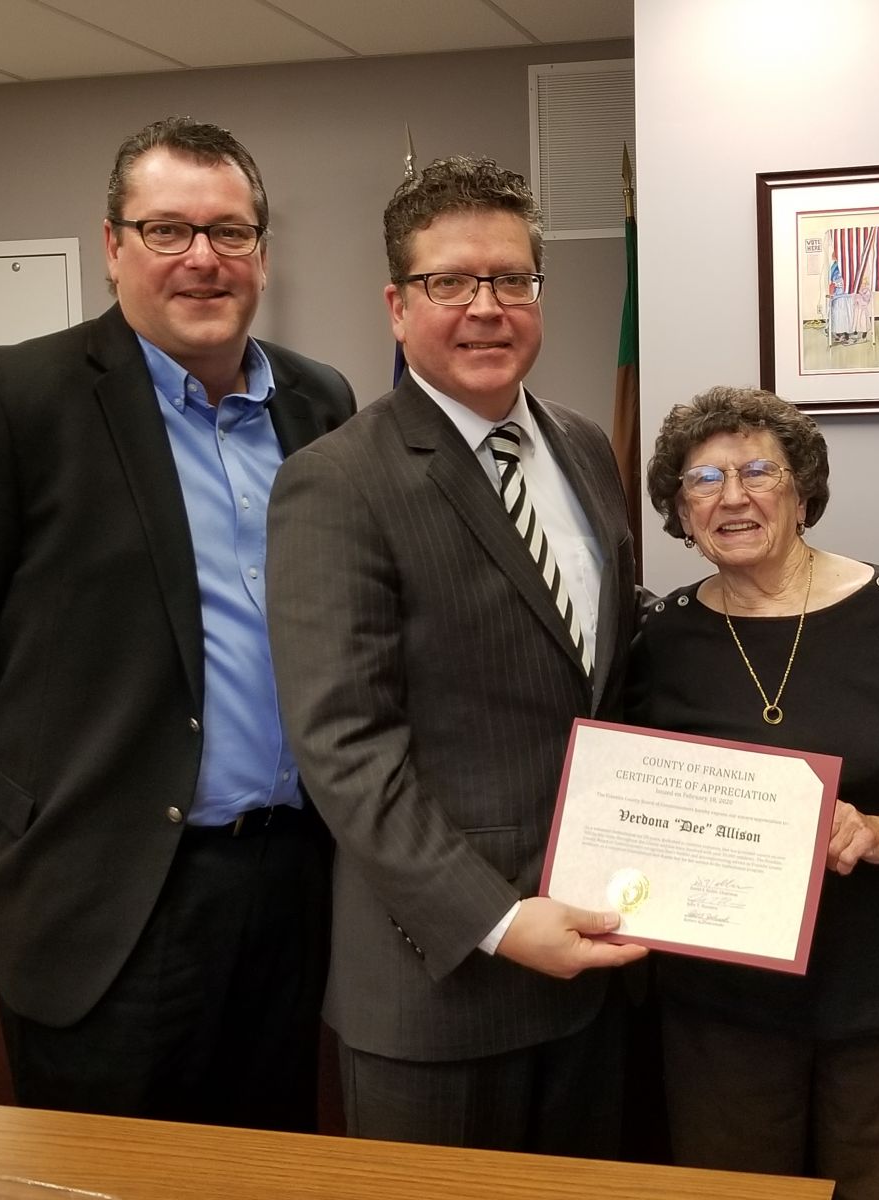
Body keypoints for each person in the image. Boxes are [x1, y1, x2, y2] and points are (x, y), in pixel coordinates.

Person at [0, 117, 355, 1129]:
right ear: (112, 246)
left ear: (263, 251)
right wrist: (23, 807)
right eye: (168, 230)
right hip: (111, 898)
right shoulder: (9, 398)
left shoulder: (316, 402)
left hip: (290, 885)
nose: (202, 259)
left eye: (229, 232)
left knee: (267, 1171)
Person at [265, 155, 645, 1157]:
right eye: (450, 283)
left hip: (593, 970)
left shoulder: (582, 448)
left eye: (512, 279)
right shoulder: (337, 481)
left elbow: (604, 676)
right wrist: (497, 919)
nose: (487, 308)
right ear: (397, 306)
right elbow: (344, 748)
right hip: (439, 990)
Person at [628, 386, 879, 1198]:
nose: (733, 496)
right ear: (679, 510)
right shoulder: (663, 637)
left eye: (758, 470)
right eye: (702, 480)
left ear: (802, 491)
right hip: (719, 1010)